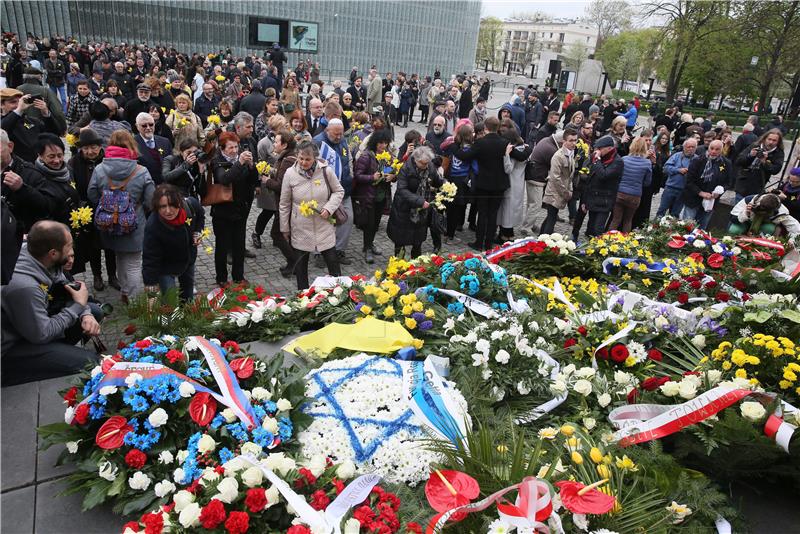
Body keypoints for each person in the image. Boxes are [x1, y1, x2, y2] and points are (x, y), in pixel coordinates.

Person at [1, 221, 102, 386]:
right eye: (69, 246)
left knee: (95, 312)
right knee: (90, 363)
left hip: (30, 328)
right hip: (10, 349)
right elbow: (41, 334)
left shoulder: (37, 253)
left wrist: (86, 313)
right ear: (53, 253)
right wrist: (77, 306)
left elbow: (67, 288)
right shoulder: (25, 287)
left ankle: (58, 352)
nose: (72, 252)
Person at [87, 129, 155, 303]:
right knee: (133, 264)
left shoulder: (100, 169)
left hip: (109, 224)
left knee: (119, 257)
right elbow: (150, 200)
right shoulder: (141, 170)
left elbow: (92, 194)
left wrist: (109, 206)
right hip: (134, 224)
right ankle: (135, 301)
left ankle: (125, 291)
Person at [280, 140, 343, 289]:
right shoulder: (290, 173)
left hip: (324, 225)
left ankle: (340, 292)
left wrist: (329, 208)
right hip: (300, 226)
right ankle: (303, 297)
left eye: (307, 159)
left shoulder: (326, 171)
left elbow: (338, 191)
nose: (303, 162)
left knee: (333, 262)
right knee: (301, 267)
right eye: (301, 158)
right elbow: (284, 203)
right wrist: (284, 228)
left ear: (315, 157)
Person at [67, 128, 118, 289]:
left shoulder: (109, 160)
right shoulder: (74, 162)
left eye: (93, 147)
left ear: (100, 147)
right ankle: (97, 276)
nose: (90, 151)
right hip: (86, 210)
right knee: (93, 246)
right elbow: (71, 186)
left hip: (109, 206)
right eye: (86, 148)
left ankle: (112, 275)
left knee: (111, 245)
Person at [453, 116, 510, 251]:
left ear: (485, 128)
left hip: (483, 184)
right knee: (493, 214)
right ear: (497, 128)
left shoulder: (480, 143)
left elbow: (465, 156)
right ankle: (489, 243)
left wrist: (454, 147)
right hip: (500, 184)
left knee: (483, 214)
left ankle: (479, 243)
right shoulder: (504, 142)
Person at [1, 128, 50, 283]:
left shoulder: (28, 172)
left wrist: (22, 189)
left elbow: (45, 207)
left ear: (10, 146)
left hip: (21, 246)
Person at [210, 131, 258, 286]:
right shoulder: (217, 161)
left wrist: (251, 167)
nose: (234, 150)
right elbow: (224, 179)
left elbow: (252, 180)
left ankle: (238, 276)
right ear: (222, 148)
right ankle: (222, 278)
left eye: (236, 147)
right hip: (222, 211)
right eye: (230, 148)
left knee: (239, 245)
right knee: (222, 246)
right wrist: (239, 164)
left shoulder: (241, 160)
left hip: (239, 209)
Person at [142, 184, 203, 301]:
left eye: (172, 205)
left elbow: (200, 216)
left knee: (188, 297)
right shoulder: (153, 226)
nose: (168, 211)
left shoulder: (190, 205)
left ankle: (188, 316)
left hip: (187, 260)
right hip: (166, 267)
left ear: (179, 203)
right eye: (163, 206)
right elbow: (150, 257)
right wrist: (151, 285)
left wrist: (198, 232)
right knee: (170, 303)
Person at [387, 146, 441, 258]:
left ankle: (415, 266)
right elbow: (402, 190)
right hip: (403, 210)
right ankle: (398, 266)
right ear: (416, 160)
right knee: (400, 242)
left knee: (417, 241)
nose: (426, 166)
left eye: (427, 163)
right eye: (423, 164)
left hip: (421, 212)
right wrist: (420, 201)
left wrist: (446, 186)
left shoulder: (429, 166)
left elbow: (437, 180)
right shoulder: (405, 168)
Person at [314, 118, 354, 265]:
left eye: (341, 134)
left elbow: (348, 159)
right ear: (327, 130)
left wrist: (351, 175)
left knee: (347, 218)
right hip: (324, 191)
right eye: (335, 134)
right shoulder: (317, 142)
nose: (338, 137)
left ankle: (339, 250)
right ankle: (319, 253)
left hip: (343, 188)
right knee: (322, 221)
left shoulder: (342, 140)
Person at [353, 128, 394, 263]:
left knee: (376, 223)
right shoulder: (366, 156)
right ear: (375, 142)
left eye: (385, 143)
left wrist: (392, 176)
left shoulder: (387, 156)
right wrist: (372, 177)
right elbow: (358, 175)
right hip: (369, 196)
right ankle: (367, 248)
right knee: (369, 224)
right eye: (380, 143)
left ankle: (370, 244)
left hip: (382, 196)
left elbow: (392, 170)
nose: (383, 146)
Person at [262, 129, 299, 278]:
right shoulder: (285, 157)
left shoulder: (287, 160)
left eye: (276, 142)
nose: (274, 144)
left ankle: (295, 262)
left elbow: (281, 186)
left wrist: (267, 181)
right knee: (285, 235)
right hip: (286, 204)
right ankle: (292, 265)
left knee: (277, 234)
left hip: (286, 205)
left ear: (284, 145)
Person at [576, 135, 624, 238]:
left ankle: (598, 250)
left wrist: (597, 161)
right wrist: (585, 200)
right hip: (593, 198)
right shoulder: (598, 158)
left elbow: (604, 175)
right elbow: (590, 180)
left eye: (599, 148)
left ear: (609, 148)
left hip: (605, 200)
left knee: (598, 228)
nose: (597, 151)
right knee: (591, 227)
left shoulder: (617, 161)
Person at [680, 139, 732, 230]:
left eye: (717, 149)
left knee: (702, 227)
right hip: (693, 198)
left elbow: (729, 182)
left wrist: (719, 191)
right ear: (708, 148)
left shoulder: (726, 163)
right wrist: (701, 193)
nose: (713, 151)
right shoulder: (698, 160)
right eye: (711, 148)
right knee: (688, 226)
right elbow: (689, 181)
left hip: (711, 201)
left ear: (721, 150)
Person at [1, 87, 61, 162]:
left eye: (19, 102)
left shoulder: (32, 121)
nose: (18, 105)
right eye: (13, 102)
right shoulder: (4, 122)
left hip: (37, 166)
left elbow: (54, 135)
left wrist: (46, 113)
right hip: (17, 168)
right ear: (1, 105)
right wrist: (19, 110)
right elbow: (3, 128)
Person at [34, 133, 80, 228]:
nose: (57, 161)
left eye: (60, 155)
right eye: (51, 156)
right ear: (40, 156)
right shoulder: (37, 178)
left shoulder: (68, 169)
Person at [441, 122, 477, 243]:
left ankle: (447, 232)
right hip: (461, 181)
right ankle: (450, 236)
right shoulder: (470, 150)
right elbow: (475, 167)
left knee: (450, 208)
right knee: (456, 210)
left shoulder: (454, 146)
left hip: (452, 179)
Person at [608, 137, 652, 232]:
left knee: (615, 220)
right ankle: (625, 243)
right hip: (634, 195)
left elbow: (618, 176)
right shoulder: (647, 163)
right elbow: (647, 182)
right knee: (628, 220)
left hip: (620, 193)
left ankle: (607, 240)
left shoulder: (624, 159)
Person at [523, 130, 563, 235]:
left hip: (532, 174)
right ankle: (527, 227)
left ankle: (529, 223)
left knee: (531, 203)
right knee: (536, 204)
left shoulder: (546, 140)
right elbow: (554, 166)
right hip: (537, 177)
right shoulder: (552, 149)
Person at [497, 127, 532, 241]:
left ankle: (504, 234)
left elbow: (508, 168)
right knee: (513, 208)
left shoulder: (513, 152)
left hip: (511, 182)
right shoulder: (524, 148)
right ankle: (510, 233)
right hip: (519, 182)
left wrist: (506, 155)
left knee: (507, 209)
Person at [540, 129, 577, 235]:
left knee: (550, 217)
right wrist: (565, 192)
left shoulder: (571, 153)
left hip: (561, 192)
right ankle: (546, 241)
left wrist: (569, 190)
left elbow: (570, 176)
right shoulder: (558, 156)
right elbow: (555, 177)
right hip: (554, 192)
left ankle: (541, 237)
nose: (573, 143)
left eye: (575, 140)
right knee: (552, 218)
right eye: (571, 140)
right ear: (564, 141)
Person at [734, 129, 784, 204]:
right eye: (769, 139)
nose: (771, 142)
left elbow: (776, 170)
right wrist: (750, 155)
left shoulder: (778, 153)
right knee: (737, 210)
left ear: (778, 142)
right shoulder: (755, 145)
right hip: (743, 183)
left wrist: (765, 162)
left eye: (774, 140)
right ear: (764, 138)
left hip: (758, 185)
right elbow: (738, 161)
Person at [632, 130, 670, 229]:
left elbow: (659, 171)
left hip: (648, 186)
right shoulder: (635, 150)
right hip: (635, 185)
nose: (648, 142)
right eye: (646, 140)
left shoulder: (654, 152)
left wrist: (654, 162)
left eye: (650, 140)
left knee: (644, 210)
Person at [656, 138, 697, 218]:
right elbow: (666, 168)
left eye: (693, 147)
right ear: (684, 147)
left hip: (684, 191)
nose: (691, 149)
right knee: (661, 211)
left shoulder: (697, 159)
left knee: (675, 214)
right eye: (689, 147)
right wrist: (678, 170)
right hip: (670, 188)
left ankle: (671, 229)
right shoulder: (676, 156)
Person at [729, 193, 800, 238]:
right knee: (734, 229)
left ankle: (759, 244)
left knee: (769, 228)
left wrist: (792, 241)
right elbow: (732, 218)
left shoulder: (782, 212)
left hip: (763, 227)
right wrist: (746, 213)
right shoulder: (748, 200)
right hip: (745, 223)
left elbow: (795, 228)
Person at [134, 111, 173, 185]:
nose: (148, 128)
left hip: (165, 185)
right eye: (144, 126)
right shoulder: (132, 144)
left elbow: (172, 163)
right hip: (143, 185)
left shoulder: (165, 142)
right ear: (137, 126)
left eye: (151, 124)